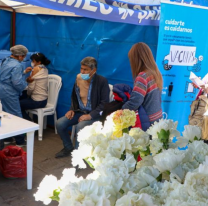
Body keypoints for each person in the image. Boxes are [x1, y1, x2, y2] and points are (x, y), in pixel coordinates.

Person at [55, 57, 110, 158]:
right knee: (60, 123)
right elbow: (75, 97)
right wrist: (72, 109)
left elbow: (104, 103)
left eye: (85, 69)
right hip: (80, 112)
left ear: (94, 70)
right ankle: (68, 148)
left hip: (95, 115)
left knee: (80, 126)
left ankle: (78, 156)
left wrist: (90, 115)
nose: (82, 71)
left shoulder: (102, 81)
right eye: (81, 68)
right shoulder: (78, 78)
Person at [122, 42, 163, 126]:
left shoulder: (143, 76)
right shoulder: (155, 73)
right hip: (158, 119)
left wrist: (121, 110)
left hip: (147, 121)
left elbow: (135, 102)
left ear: (136, 59)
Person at [0, 45, 32, 147]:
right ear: (20, 56)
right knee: (16, 115)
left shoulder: (6, 60)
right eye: (23, 56)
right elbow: (17, 82)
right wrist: (26, 86)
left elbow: (8, 75)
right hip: (9, 92)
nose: (24, 58)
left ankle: (8, 138)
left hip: (2, 90)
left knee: (7, 114)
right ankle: (20, 141)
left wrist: (23, 73)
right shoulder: (18, 65)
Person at [20, 53, 50, 120]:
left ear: (39, 62)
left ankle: (30, 125)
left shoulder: (36, 69)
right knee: (20, 97)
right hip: (43, 100)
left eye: (33, 61)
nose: (32, 63)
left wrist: (27, 95)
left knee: (16, 105)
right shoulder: (45, 69)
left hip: (37, 101)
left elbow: (31, 88)